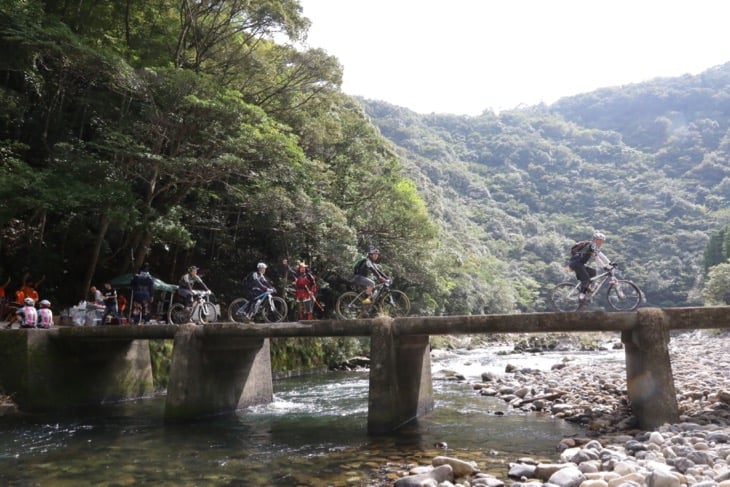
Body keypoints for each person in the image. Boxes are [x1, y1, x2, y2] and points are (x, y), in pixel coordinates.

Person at [568, 231, 612, 302]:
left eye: (602, 241)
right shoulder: (591, 245)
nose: (601, 243)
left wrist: (608, 265)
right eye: (600, 241)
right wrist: (607, 265)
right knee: (586, 279)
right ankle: (582, 296)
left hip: (579, 264)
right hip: (576, 264)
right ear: (595, 240)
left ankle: (588, 289)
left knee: (593, 272)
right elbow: (599, 257)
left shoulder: (592, 247)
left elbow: (600, 257)